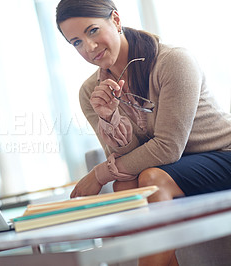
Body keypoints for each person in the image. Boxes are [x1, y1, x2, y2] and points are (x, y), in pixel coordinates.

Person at [56, 0, 231, 265]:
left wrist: (98, 174)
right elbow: (126, 160)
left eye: (92, 31)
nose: (89, 47)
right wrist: (111, 118)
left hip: (222, 154)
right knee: (125, 185)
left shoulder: (173, 61)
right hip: (178, 166)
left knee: (151, 178)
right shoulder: (90, 92)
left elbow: (167, 148)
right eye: (76, 42)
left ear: (116, 20)